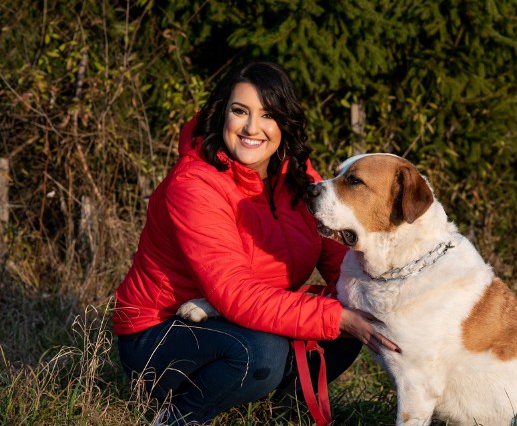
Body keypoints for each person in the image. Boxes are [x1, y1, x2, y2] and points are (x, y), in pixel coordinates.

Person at [112, 61, 399, 425]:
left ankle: (274, 415)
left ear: (284, 123)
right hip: (161, 333)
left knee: (345, 316)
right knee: (264, 351)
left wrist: (387, 298)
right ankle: (178, 416)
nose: (252, 128)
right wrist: (336, 316)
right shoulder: (194, 186)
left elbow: (341, 263)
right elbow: (234, 293)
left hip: (239, 319)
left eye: (268, 114)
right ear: (221, 115)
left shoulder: (297, 175)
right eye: (239, 111)